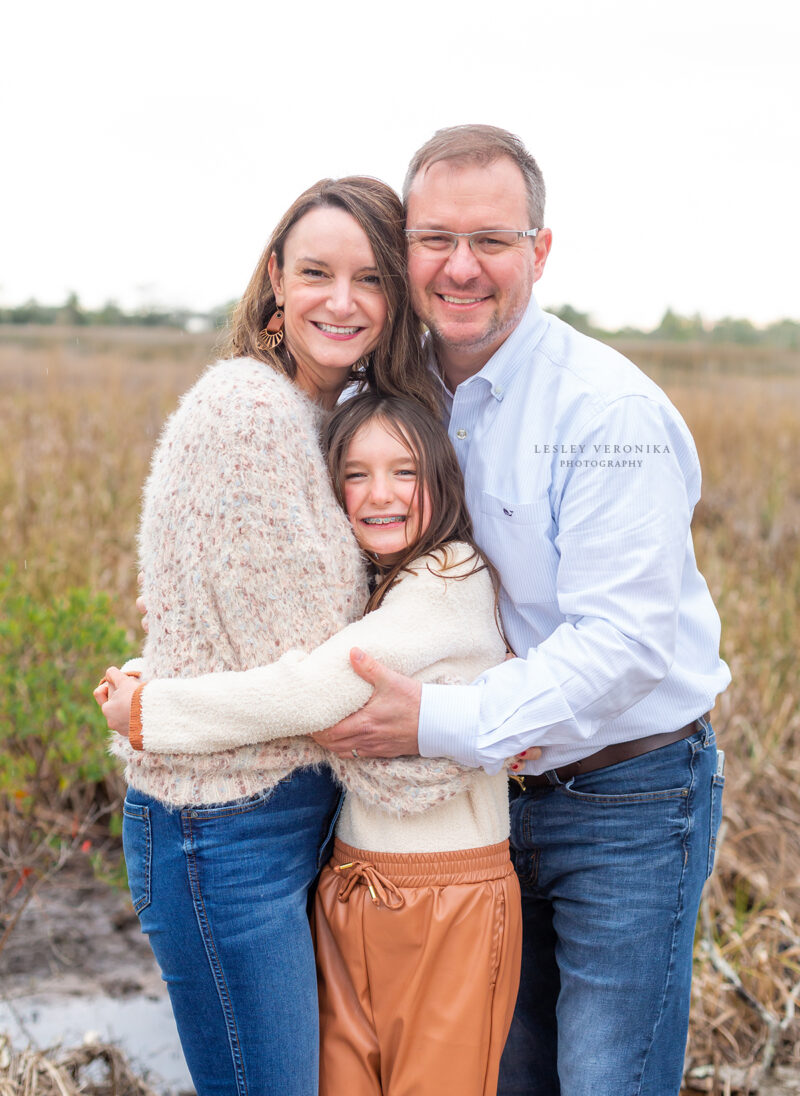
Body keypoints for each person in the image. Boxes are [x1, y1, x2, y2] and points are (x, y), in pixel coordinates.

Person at [313, 125, 731, 1096]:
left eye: (491, 241)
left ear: (537, 252)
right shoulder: (394, 393)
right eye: (434, 240)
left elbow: (623, 646)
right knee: (499, 1073)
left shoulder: (603, 412)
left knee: (604, 1079)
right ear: (403, 250)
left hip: (624, 796)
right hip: (481, 806)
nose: (460, 268)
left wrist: (434, 721)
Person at [94, 176, 439, 1096]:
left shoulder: (341, 418)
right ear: (276, 282)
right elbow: (333, 691)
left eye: (370, 278)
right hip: (222, 825)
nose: (342, 299)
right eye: (317, 272)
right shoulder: (249, 415)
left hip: (287, 807)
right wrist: (474, 743)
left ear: (397, 296)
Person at [100, 393, 523, 1096]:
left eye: (405, 472)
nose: (379, 494)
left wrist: (152, 710)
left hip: (448, 897)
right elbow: (260, 640)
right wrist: (168, 642)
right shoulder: (374, 585)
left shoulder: (449, 579)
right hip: (352, 884)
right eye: (355, 475)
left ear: (444, 481)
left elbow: (312, 687)